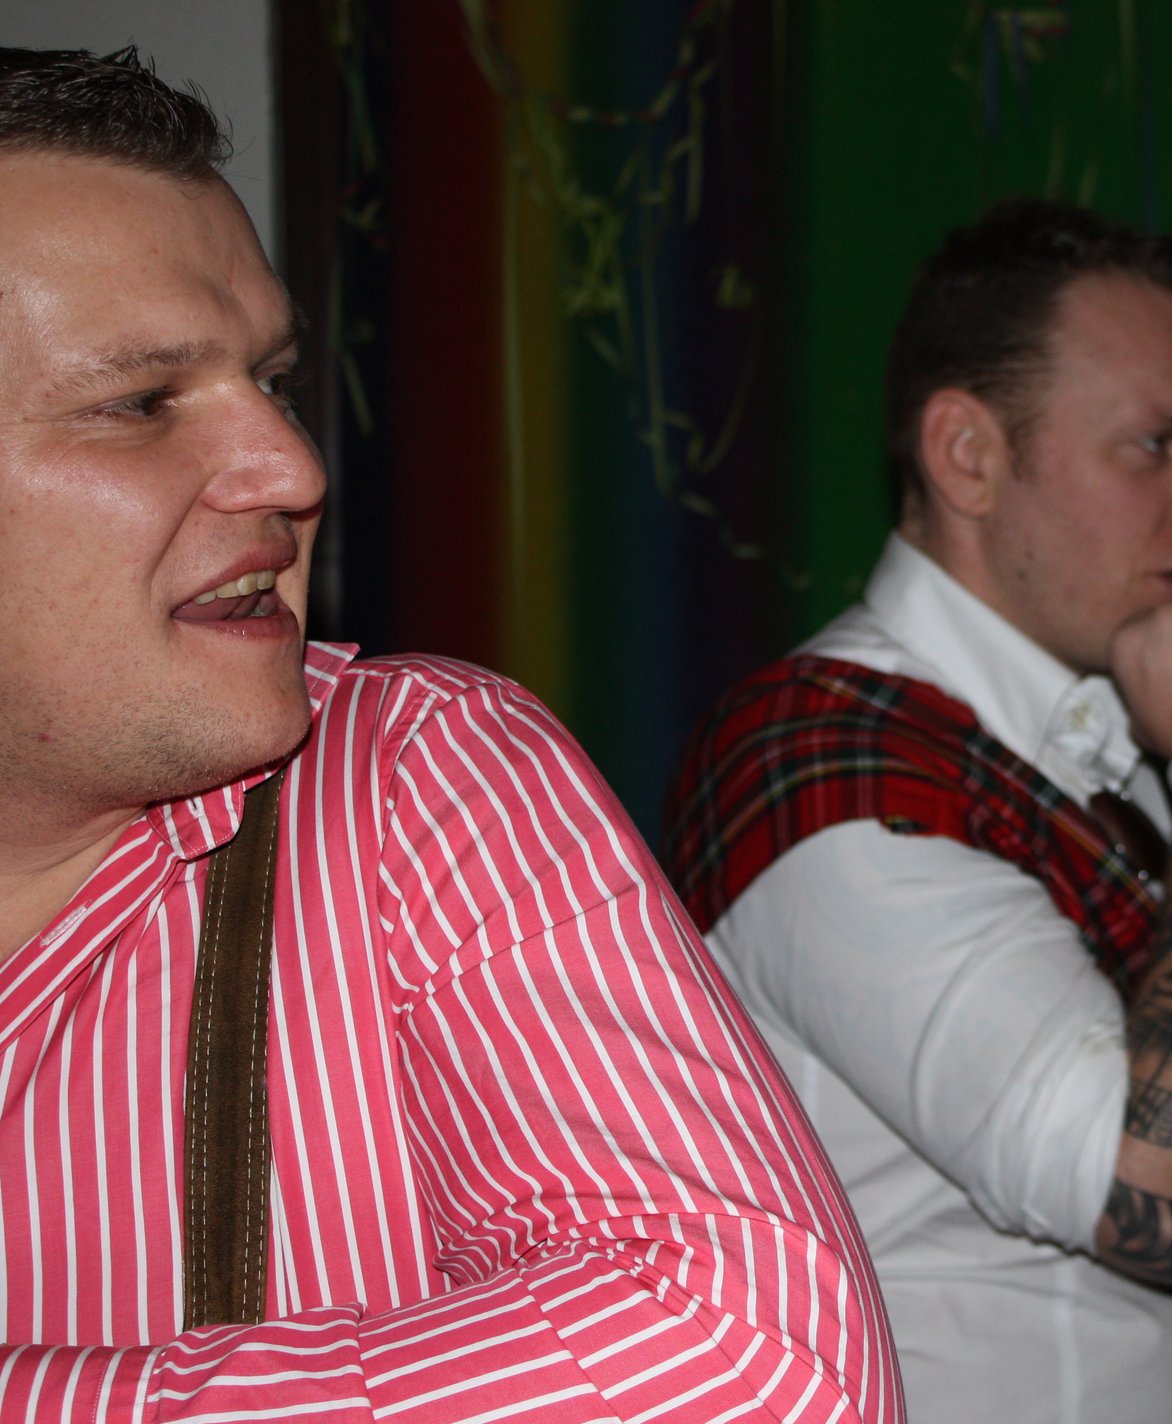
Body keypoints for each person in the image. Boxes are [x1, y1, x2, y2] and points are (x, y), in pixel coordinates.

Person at [0, 47, 900, 1423]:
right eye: (141, 403)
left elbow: (754, 1364)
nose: (294, 467)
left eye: (273, 379)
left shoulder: (408, 779)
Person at [665, 200, 1172, 1424]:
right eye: (1156, 444)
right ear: (967, 454)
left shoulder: (1078, 729)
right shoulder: (823, 755)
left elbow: (1127, 1155)